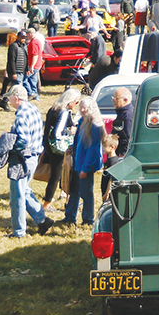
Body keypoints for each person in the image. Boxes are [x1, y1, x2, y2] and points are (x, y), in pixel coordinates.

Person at [5, 85, 55, 237]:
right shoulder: (34, 109)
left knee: (17, 196)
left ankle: (19, 231)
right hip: (34, 157)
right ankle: (42, 220)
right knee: (24, 189)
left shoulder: (21, 115)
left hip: (23, 159)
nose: (8, 100)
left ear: (16, 98)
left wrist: (10, 146)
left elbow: (23, 140)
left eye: (9, 97)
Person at [62, 96, 104, 226]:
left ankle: (88, 219)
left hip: (85, 165)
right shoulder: (81, 121)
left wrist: (85, 169)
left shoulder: (95, 125)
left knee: (86, 193)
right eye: (81, 107)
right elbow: (78, 140)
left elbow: (93, 150)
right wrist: (72, 147)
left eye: (85, 108)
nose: (82, 110)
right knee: (74, 191)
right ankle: (70, 217)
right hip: (77, 162)